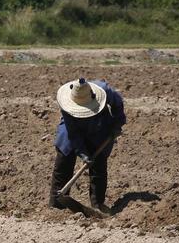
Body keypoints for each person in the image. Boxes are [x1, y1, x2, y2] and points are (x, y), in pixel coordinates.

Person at [50, 77, 126, 215]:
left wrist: (118, 122)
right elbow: (73, 134)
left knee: (98, 165)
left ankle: (98, 205)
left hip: (98, 126)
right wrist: (83, 153)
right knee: (63, 162)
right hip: (72, 129)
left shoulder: (105, 90)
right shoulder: (67, 104)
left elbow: (118, 103)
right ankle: (57, 206)